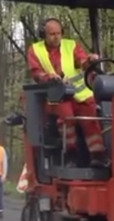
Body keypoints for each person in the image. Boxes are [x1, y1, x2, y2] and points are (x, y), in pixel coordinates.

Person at [26, 17, 107, 167]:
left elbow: (82, 62)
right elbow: (36, 73)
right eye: (52, 34)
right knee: (66, 118)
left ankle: (98, 156)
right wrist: (48, 77)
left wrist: (90, 60)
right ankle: (71, 155)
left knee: (90, 120)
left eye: (58, 33)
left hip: (80, 93)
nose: (56, 37)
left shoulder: (71, 46)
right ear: (44, 34)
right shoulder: (35, 50)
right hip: (56, 96)